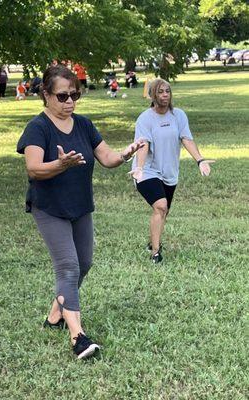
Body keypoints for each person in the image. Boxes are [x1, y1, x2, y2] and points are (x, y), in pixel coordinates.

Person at [17, 65, 144, 359]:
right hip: (49, 207)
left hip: (79, 205)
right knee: (68, 267)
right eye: (62, 96)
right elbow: (34, 168)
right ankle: (78, 337)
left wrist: (126, 153)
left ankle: (54, 317)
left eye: (75, 94)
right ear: (46, 95)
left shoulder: (84, 125)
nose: (70, 101)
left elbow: (107, 157)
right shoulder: (38, 128)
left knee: (84, 262)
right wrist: (60, 164)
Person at [130, 78, 215, 263]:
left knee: (164, 211)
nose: (165, 95)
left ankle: (153, 240)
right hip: (147, 171)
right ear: (153, 95)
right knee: (160, 206)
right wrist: (139, 167)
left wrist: (199, 160)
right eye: (160, 92)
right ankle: (155, 252)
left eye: (167, 91)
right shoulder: (145, 118)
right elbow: (143, 144)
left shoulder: (179, 115)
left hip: (169, 172)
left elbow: (186, 139)